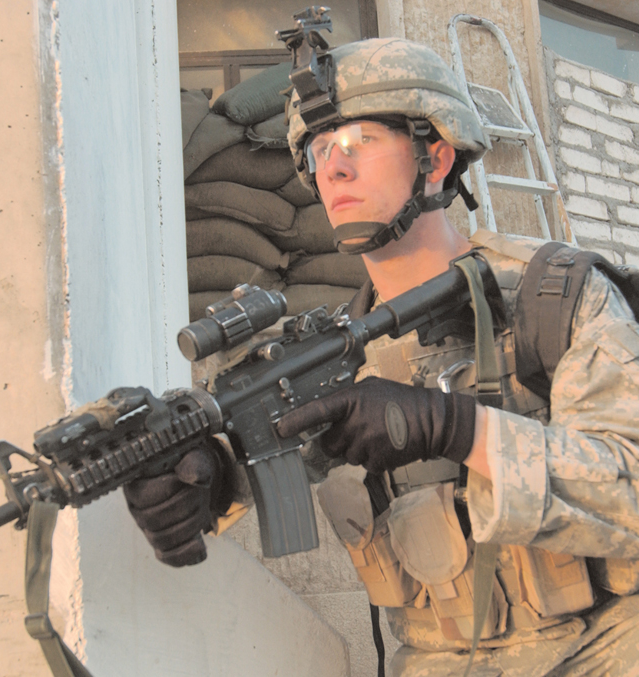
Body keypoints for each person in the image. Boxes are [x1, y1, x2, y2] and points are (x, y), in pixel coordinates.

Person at [125, 35, 639, 676]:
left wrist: (454, 427)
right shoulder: (333, 353)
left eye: (360, 142)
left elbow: (630, 492)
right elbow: (259, 464)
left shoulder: (553, 296)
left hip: (607, 650)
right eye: (317, 152)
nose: (332, 169)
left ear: (436, 157)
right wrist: (202, 481)